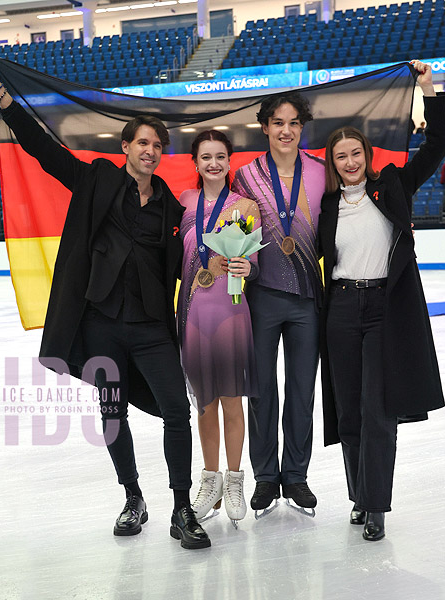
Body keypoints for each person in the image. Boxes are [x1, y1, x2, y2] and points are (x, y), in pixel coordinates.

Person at [0, 55, 211, 550]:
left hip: (151, 328)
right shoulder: (98, 181)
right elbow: (44, 151)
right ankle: (132, 497)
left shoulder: (171, 206)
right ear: (126, 147)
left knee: (176, 411)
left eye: (156, 145)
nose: (149, 150)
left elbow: (189, 259)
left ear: (162, 153)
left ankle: (182, 507)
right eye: (141, 142)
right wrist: (2, 97)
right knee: (111, 414)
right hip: (101, 323)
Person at [318, 60, 445, 541]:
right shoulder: (328, 205)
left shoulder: (391, 186)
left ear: (367, 155)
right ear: (332, 163)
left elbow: (435, 146)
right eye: (340, 157)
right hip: (342, 310)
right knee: (348, 410)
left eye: (355, 154)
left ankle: (376, 506)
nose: (349, 162)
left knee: (377, 409)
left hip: (384, 312)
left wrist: (428, 89)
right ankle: (358, 494)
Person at [232, 92, 324, 516]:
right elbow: (238, 233)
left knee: (302, 390)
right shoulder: (246, 177)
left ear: (301, 128)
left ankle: (296, 477)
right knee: (262, 391)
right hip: (261, 296)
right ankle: (266, 477)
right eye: (278, 122)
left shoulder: (323, 173)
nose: (286, 130)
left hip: (307, 298)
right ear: (265, 127)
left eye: (294, 123)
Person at [177, 130, 260, 527]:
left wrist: (249, 268)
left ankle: (234, 478)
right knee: (204, 402)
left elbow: (253, 261)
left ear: (230, 161)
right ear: (195, 162)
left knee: (231, 398)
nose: (213, 163)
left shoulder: (245, 206)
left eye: (220, 156)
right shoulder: (185, 203)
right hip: (193, 311)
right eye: (205, 157)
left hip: (230, 309)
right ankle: (208, 480)